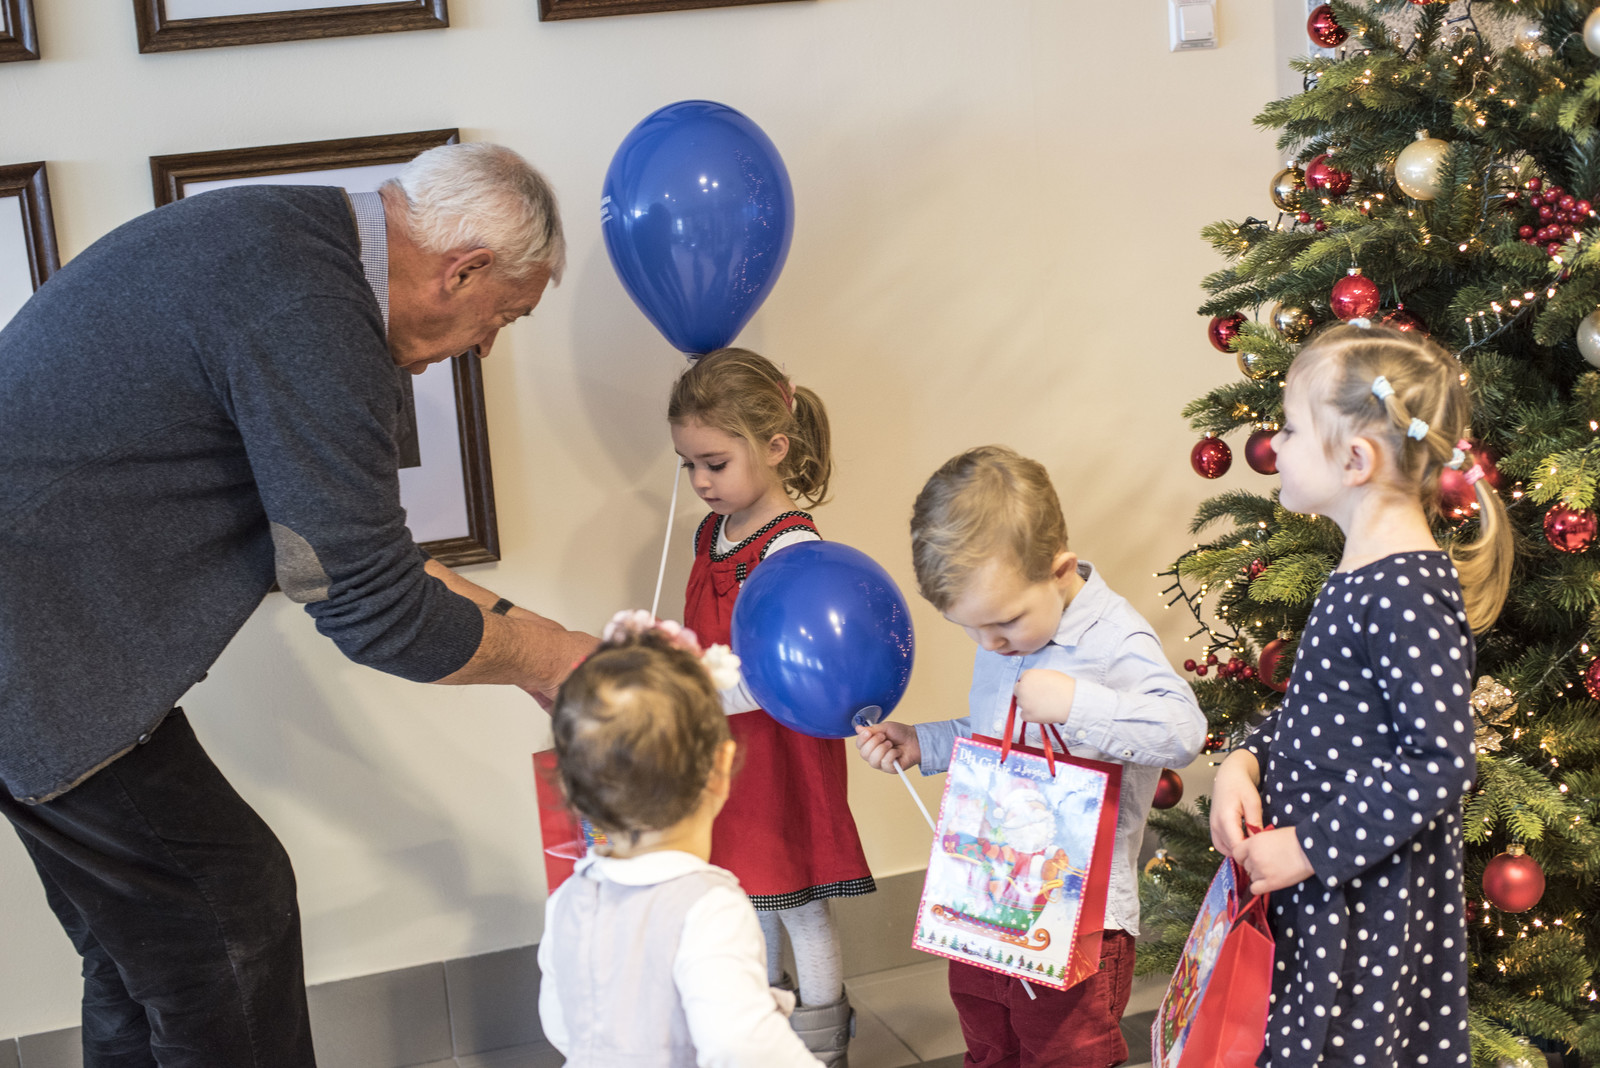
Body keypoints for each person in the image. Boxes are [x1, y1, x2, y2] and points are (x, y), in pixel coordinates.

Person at [0, 142, 597, 1067]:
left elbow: (354, 557)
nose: (486, 347)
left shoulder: (291, 241)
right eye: (504, 316)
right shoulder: (313, 313)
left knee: (147, 951)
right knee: (227, 922)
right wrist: (556, 661)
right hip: (40, 657)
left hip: (44, 646)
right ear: (464, 270)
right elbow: (370, 606)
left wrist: (545, 648)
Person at [1207, 322, 1512, 1068]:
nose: (1273, 445)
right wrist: (1243, 761)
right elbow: (1319, 716)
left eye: (1288, 428)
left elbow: (1440, 762)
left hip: (1363, 904)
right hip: (1320, 887)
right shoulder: (1360, 572)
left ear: (1355, 459)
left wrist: (1310, 846)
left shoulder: (1404, 590)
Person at [855, 445, 1206, 1068]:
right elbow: (1000, 737)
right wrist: (923, 742)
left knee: (1065, 1051)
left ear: (1059, 569)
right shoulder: (1005, 632)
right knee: (990, 1042)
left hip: (1077, 917)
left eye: (1005, 623)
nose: (990, 643)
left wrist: (1076, 704)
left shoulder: (1115, 639)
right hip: (987, 893)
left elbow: (1183, 730)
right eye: (971, 629)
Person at [668, 348, 872, 1066]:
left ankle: (820, 1048)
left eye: (715, 463)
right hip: (726, 747)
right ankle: (763, 1038)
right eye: (688, 465)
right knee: (748, 894)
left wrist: (697, 693)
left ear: (775, 447)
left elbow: (785, 673)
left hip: (778, 749)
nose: (701, 481)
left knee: (798, 899)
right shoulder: (710, 533)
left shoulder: (790, 547)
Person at [538, 611, 823, 1068]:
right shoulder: (709, 906)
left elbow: (560, 1024)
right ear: (720, 767)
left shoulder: (568, 899)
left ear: (575, 790)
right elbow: (741, 1047)